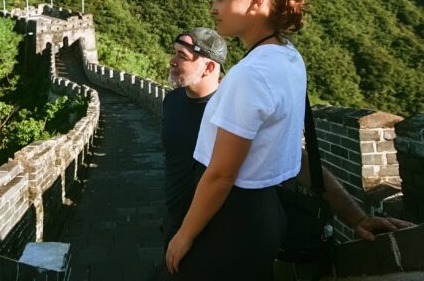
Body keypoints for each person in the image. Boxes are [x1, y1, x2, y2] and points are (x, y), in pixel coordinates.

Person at [162, 0, 411, 280]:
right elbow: (297, 154)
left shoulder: (250, 75)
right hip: (263, 219)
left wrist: (184, 236)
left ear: (256, 0)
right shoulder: (288, 57)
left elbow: (221, 177)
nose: (213, 8)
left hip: (230, 224)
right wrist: (356, 216)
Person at [161, 27, 413, 256]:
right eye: (174, 53)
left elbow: (298, 162)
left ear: (209, 68)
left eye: (182, 56)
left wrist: (356, 219)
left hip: (221, 236)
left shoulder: (237, 110)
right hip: (177, 229)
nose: (172, 61)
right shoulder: (171, 103)